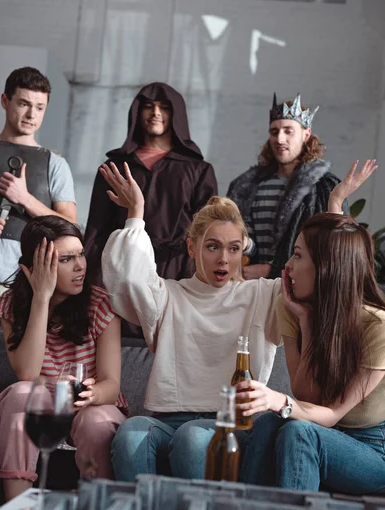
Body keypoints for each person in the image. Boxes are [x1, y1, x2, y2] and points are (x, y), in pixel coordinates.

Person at [98, 159, 371, 483]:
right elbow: (126, 278)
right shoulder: (167, 296)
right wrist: (136, 213)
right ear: (192, 247)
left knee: (193, 437)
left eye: (233, 248)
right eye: (212, 247)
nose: (223, 259)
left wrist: (335, 206)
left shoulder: (264, 295)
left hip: (234, 426)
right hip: (169, 421)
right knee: (131, 432)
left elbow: (325, 269)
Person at [237, 173, 385, 495]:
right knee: (267, 423)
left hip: (373, 449)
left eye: (298, 255)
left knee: (298, 432)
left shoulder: (377, 327)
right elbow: (307, 398)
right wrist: (306, 322)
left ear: (327, 267)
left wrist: (276, 398)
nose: (287, 266)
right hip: (322, 429)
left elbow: (330, 415)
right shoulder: (291, 308)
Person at [0, 215, 127, 501]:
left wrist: (92, 393)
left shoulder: (100, 304)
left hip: (91, 405)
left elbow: (111, 385)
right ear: (33, 268)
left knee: (95, 421)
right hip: (41, 401)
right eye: (66, 259)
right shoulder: (10, 304)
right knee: (21, 395)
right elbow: (27, 374)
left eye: (80, 254)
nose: (80, 266)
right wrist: (42, 298)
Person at [84, 82, 217, 338]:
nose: (155, 112)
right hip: (121, 273)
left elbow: (206, 234)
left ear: (175, 114)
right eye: (148, 106)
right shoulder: (115, 167)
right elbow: (96, 230)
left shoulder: (198, 171)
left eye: (163, 107)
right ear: (137, 113)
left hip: (177, 274)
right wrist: (92, 285)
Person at [0, 66, 76, 321]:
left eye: (39, 107)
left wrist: (24, 198)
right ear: (5, 101)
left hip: (27, 283)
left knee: (15, 359)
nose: (31, 114)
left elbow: (70, 226)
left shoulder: (55, 164)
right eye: (24, 103)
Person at [227, 93, 347, 281]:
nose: (280, 139)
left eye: (288, 131)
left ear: (306, 135)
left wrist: (272, 270)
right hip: (249, 288)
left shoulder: (323, 188)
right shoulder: (246, 187)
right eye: (274, 132)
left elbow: (331, 247)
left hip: (302, 286)